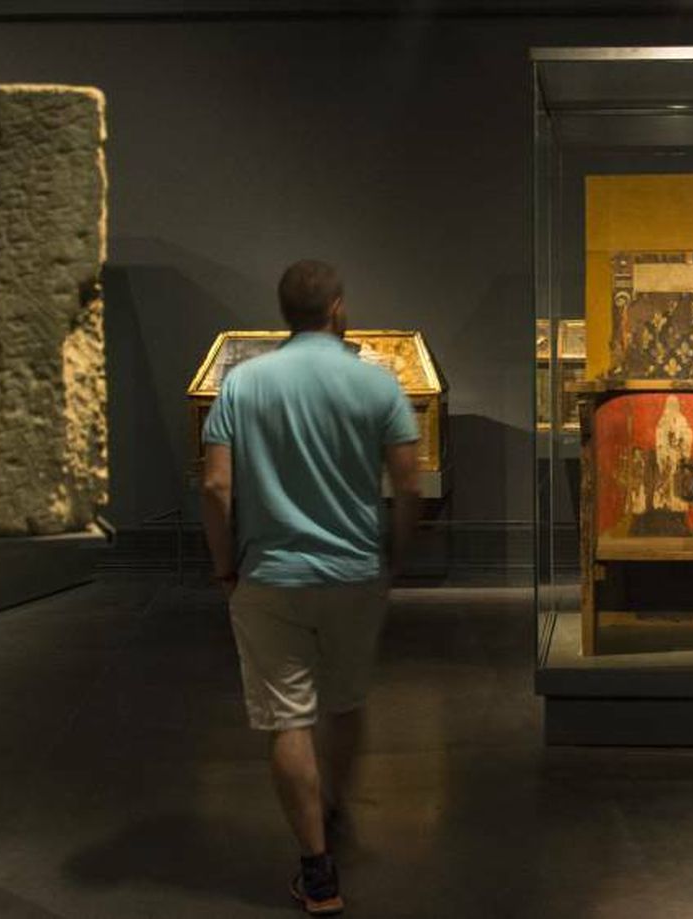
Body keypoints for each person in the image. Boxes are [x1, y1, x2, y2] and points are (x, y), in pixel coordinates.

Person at [199, 259, 421, 915]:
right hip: (354, 573)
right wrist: (395, 557)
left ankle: (318, 871)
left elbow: (215, 485)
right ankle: (332, 805)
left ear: (285, 313)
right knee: (346, 702)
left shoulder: (242, 384)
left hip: (270, 576)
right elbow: (409, 483)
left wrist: (224, 566)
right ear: (338, 309)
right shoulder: (376, 383)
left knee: (287, 718)